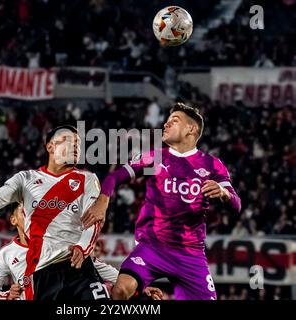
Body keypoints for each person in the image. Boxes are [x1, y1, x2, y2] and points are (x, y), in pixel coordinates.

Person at [82, 102, 241, 300]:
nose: (166, 124)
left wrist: (224, 193)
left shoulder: (212, 165)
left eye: (174, 121)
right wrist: (102, 202)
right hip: (152, 247)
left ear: (191, 129)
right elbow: (114, 177)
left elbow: (236, 205)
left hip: (190, 254)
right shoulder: (154, 157)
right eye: (166, 121)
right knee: (121, 290)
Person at [0, 125, 108, 300]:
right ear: (50, 147)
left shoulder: (88, 179)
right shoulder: (25, 179)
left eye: (78, 143)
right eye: (68, 141)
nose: (76, 146)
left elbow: (94, 220)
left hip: (79, 267)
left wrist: (82, 248)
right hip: (42, 271)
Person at [0, 203, 163, 300]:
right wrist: (6, 295)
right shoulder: (6, 254)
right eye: (24, 213)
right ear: (13, 219)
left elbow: (95, 264)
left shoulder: (56, 243)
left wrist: (138, 284)